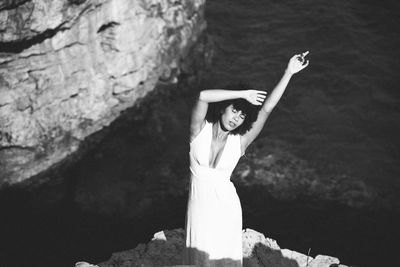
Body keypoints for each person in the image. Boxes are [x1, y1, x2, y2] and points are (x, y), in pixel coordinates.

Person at [183, 52, 310, 266]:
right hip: (198, 210)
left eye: (242, 116)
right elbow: (203, 95)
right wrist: (243, 94)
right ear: (224, 107)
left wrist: (288, 72)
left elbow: (267, 109)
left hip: (226, 208)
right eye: (235, 111)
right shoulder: (198, 131)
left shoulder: (239, 142)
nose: (236, 119)